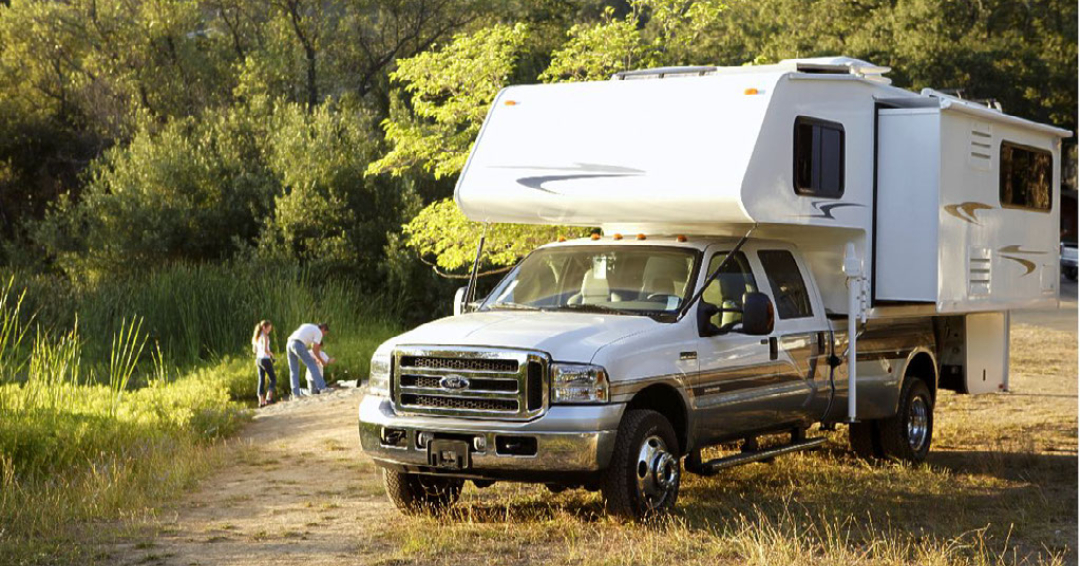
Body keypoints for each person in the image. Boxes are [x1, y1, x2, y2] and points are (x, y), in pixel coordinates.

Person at [286, 322, 330, 397]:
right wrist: (322, 361)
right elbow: (315, 349)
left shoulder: (308, 326)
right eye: (324, 333)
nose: (323, 335)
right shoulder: (318, 332)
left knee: (293, 370)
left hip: (289, 344)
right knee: (312, 364)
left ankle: (295, 393)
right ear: (323, 329)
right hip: (298, 344)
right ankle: (322, 387)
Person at [251, 320, 276, 407]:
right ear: (264, 327)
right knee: (273, 379)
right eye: (268, 329)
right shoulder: (265, 337)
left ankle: (261, 402)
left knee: (261, 380)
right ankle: (269, 398)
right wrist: (272, 355)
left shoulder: (256, 337)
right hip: (265, 359)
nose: (269, 331)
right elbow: (266, 350)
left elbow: (254, 350)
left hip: (258, 359)